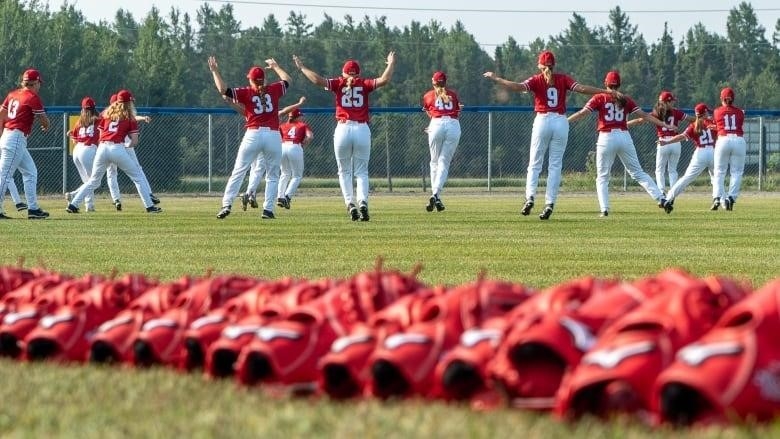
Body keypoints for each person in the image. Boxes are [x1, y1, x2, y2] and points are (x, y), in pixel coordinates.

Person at [483, 50, 615, 220]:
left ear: (540, 65)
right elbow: (581, 88)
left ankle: (530, 197)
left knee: (535, 164)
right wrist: (605, 92)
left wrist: (496, 78)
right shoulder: (562, 79)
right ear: (554, 65)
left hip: (542, 121)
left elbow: (517, 87)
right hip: (560, 121)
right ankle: (549, 203)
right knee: (555, 166)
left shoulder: (537, 79)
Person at [293, 51, 397, 221]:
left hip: (343, 129)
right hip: (362, 129)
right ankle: (363, 202)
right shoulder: (364, 83)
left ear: (344, 73)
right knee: (361, 172)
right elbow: (384, 80)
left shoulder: (339, 83)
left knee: (344, 171)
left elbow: (317, 80)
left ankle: (350, 203)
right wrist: (391, 63)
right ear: (358, 73)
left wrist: (302, 67)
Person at [567, 70, 675, 217]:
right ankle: (661, 199)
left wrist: (566, 121)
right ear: (619, 85)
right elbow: (644, 115)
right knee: (638, 173)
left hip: (606, 137)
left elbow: (582, 113)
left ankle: (604, 209)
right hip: (624, 136)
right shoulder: (626, 99)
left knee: (603, 177)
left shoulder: (600, 97)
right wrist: (664, 124)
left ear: (606, 83)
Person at [207, 55, 291, 220]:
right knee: (273, 175)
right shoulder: (273, 90)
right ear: (264, 79)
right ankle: (268, 210)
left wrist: (215, 71)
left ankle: (227, 204)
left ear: (251, 80)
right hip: (273, 135)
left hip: (253, 134)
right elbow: (287, 80)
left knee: (239, 171)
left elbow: (223, 90)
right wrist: (275, 66)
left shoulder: (246, 92)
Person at [65, 89, 161, 214]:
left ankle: (73, 205)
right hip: (117, 148)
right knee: (137, 176)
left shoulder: (106, 114)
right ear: (128, 103)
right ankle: (149, 206)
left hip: (102, 148)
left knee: (94, 181)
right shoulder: (129, 117)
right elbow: (134, 141)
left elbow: (100, 134)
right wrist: (125, 148)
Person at [236, 97, 309, 211]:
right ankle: (255, 197)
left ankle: (250, 194)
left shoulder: (252, 112)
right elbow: (284, 111)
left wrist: (234, 101)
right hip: (268, 140)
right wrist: (299, 103)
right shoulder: (272, 114)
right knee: (267, 173)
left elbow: (242, 108)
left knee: (254, 170)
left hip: (252, 138)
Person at [0, 68, 50, 219]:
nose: (39, 86)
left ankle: (33, 209)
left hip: (10, 136)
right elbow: (44, 120)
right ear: (35, 83)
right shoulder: (32, 97)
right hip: (15, 137)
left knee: (30, 171)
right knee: (4, 174)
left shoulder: (13, 94)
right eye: (38, 83)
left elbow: (1, 114)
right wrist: (46, 125)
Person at [628, 91, 694, 193]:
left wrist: (625, 124)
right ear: (667, 102)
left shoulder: (656, 113)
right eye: (671, 101)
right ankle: (673, 192)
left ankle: (662, 191)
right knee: (672, 170)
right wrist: (703, 120)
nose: (673, 103)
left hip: (663, 142)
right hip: (675, 142)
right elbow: (691, 119)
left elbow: (639, 121)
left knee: (659, 170)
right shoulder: (676, 112)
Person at [658, 103, 718, 213]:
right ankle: (718, 198)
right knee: (717, 177)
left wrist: (667, 141)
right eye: (707, 112)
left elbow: (681, 136)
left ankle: (668, 199)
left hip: (700, 153)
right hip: (713, 152)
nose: (708, 113)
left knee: (686, 178)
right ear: (704, 113)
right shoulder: (712, 122)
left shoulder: (693, 125)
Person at [421, 70, 461, 213]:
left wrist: (432, 127)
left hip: (436, 124)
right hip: (453, 125)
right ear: (446, 82)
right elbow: (457, 112)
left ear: (433, 82)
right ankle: (436, 194)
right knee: (444, 162)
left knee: (434, 162)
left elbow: (430, 112)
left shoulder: (428, 95)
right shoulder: (453, 95)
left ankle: (435, 195)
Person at [712, 87, 746, 211]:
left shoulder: (717, 111)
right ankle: (731, 198)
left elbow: (718, 124)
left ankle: (717, 197)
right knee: (736, 172)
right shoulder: (740, 112)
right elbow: (739, 123)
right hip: (738, 139)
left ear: (722, 98)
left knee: (719, 171)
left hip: (723, 139)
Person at [276, 97, 313, 210]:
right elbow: (310, 136)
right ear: (297, 116)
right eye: (300, 115)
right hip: (295, 146)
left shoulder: (282, 125)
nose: (301, 117)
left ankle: (280, 196)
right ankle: (287, 197)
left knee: (285, 173)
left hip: (282, 147)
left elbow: (278, 137)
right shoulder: (302, 125)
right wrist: (304, 143)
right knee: (297, 175)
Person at [66, 96, 101, 212]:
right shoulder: (98, 119)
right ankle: (74, 196)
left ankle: (89, 206)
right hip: (88, 150)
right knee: (94, 182)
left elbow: (74, 139)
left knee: (88, 182)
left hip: (77, 150)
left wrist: (71, 134)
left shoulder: (80, 121)